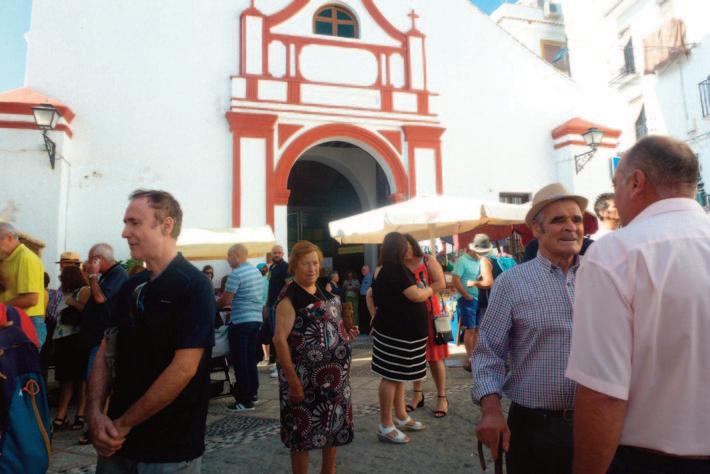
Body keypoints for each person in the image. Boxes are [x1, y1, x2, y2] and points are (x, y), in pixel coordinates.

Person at [566, 136, 710, 473]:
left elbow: (603, 393)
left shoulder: (616, 254)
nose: (615, 199)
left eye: (615, 185)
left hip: (653, 461)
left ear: (636, 182)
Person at [88, 189, 215, 473]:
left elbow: (183, 369)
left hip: (169, 450)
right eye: (126, 223)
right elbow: (105, 352)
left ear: (167, 225)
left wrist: (123, 424)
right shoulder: (130, 286)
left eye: (134, 223)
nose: (124, 232)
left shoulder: (194, 286)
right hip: (117, 445)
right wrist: (94, 414)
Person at [473, 183, 586, 474]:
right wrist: (491, 409)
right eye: (559, 220)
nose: (571, 227)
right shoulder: (511, 284)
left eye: (577, 219)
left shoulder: (604, 275)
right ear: (537, 229)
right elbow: (488, 354)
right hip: (535, 430)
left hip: (597, 424)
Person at [272, 241, 358, 474]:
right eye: (305, 264)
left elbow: (330, 328)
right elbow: (279, 340)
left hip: (334, 382)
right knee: (301, 433)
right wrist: (293, 382)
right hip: (303, 381)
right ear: (294, 266)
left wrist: (345, 336)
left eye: (315, 263)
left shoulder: (322, 291)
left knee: (332, 429)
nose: (312, 268)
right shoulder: (289, 299)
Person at [369, 232, 433, 444]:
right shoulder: (394, 269)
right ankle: (385, 425)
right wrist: (432, 288)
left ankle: (401, 416)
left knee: (398, 376)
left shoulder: (392, 269)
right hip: (395, 334)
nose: (409, 248)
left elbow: (372, 294)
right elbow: (416, 295)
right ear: (397, 248)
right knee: (390, 377)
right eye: (405, 245)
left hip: (402, 334)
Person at [80, 243, 128, 444]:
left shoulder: (118, 274)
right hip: (96, 336)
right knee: (92, 382)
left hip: (104, 337)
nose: (88, 263)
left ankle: (94, 427)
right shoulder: (108, 275)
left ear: (99, 259)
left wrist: (92, 275)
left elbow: (100, 298)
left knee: (97, 384)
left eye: (91, 259)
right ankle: (92, 424)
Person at [403, 234, 448, 418]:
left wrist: (424, 292)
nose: (404, 249)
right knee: (416, 357)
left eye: (406, 245)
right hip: (410, 317)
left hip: (431, 315)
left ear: (413, 245)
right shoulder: (399, 265)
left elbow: (441, 283)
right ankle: (417, 395)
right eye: (400, 247)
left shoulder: (427, 260)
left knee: (435, 358)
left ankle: (442, 397)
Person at [217, 243, 264, 412]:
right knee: (250, 359)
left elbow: (226, 300)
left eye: (229, 256)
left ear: (236, 256)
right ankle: (252, 393)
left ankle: (244, 400)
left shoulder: (236, 274)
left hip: (241, 321)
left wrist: (212, 306)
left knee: (240, 361)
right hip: (256, 320)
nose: (227, 260)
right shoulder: (256, 272)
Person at [52, 265, 91, 432]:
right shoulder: (62, 293)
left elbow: (87, 311)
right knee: (65, 378)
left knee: (80, 378)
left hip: (76, 338)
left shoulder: (83, 290)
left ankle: (80, 414)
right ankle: (62, 414)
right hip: (62, 339)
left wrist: (73, 303)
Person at [0, 223, 46, 347]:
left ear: (9, 238)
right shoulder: (6, 259)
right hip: (11, 320)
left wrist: (2, 307)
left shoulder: (26, 258)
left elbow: (31, 299)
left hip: (27, 322)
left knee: (22, 359)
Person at [451, 239, 493, 372]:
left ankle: (475, 355)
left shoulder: (479, 261)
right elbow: (455, 280)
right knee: (470, 329)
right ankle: (470, 357)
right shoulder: (462, 261)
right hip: (467, 299)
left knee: (477, 329)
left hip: (478, 298)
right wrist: (465, 295)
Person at [266, 244, 289, 377]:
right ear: (271, 254)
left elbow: (289, 285)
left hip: (279, 306)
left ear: (283, 254)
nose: (277, 255)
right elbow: (270, 287)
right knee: (274, 336)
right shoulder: (272, 267)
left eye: (279, 253)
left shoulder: (285, 267)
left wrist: (282, 302)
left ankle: (281, 367)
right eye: (275, 253)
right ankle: (277, 364)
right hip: (271, 305)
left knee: (280, 336)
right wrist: (266, 305)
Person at [358, 265, 373, 334]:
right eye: (362, 270)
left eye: (364, 270)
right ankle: (364, 329)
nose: (362, 271)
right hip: (362, 298)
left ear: (368, 270)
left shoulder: (370, 277)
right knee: (363, 314)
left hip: (366, 297)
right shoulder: (364, 278)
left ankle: (368, 330)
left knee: (367, 314)